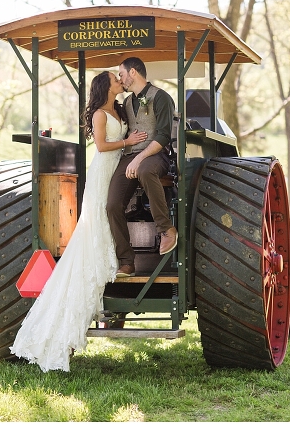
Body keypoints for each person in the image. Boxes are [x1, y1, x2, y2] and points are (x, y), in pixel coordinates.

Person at [10, 71, 147, 372]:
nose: (119, 79)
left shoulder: (120, 107)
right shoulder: (100, 113)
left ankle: (113, 255)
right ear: (105, 86)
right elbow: (100, 146)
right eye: (114, 77)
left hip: (118, 168)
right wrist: (128, 141)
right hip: (104, 168)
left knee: (110, 213)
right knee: (98, 214)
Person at [107, 56, 177, 278]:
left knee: (146, 170)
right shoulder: (127, 102)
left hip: (156, 155)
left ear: (133, 72)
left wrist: (139, 159)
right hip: (130, 156)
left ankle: (166, 229)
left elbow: (164, 135)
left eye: (121, 74)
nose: (121, 78)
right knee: (112, 204)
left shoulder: (162, 97)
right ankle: (127, 261)